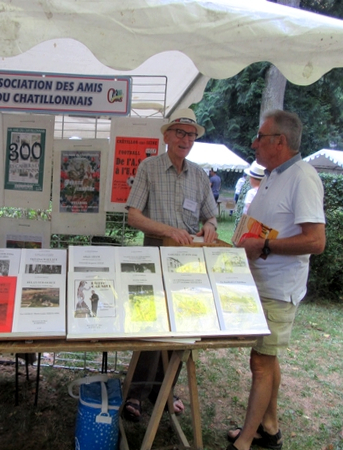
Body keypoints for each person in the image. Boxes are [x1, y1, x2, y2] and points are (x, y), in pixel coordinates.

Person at [227, 110, 325, 450]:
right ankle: (269, 427)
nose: (254, 143)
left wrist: (264, 245)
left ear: (279, 142)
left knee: (261, 361)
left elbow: (316, 241)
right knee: (267, 357)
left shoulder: (303, 177)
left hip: (279, 288)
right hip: (259, 283)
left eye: (260, 137)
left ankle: (246, 439)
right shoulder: (272, 174)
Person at [124, 108, 218, 422]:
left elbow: (211, 215)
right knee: (151, 326)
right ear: (166, 136)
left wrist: (210, 227)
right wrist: (169, 231)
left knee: (179, 327)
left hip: (187, 265)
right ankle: (136, 394)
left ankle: (164, 390)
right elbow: (133, 216)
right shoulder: (149, 167)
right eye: (179, 132)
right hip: (154, 258)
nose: (185, 139)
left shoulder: (200, 175)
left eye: (190, 135)